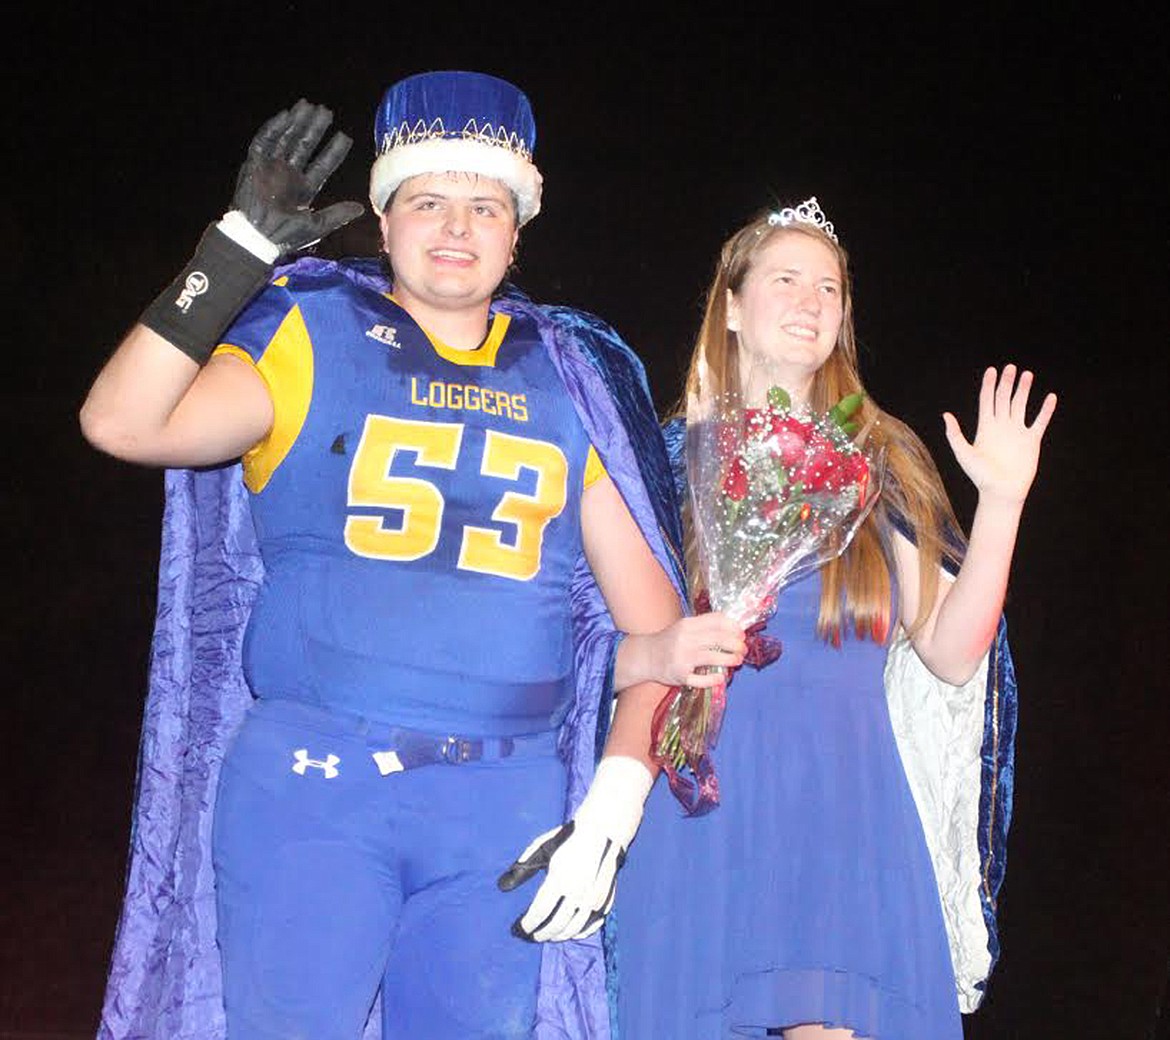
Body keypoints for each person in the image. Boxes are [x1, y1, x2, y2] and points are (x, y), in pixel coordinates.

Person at [82, 71, 686, 1040]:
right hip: (317, 786)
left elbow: (660, 637)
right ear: (384, 217)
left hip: (503, 802)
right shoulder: (307, 331)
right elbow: (120, 421)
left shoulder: (571, 377)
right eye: (428, 199)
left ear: (518, 230)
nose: (455, 225)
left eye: (485, 203)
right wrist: (231, 254)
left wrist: (614, 804)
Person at [611, 199, 1056, 1039]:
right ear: (732, 307)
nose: (813, 300)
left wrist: (1000, 503)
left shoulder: (875, 463)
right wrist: (654, 654)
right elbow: (589, 646)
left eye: (830, 287)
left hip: (840, 812)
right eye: (785, 279)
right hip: (699, 804)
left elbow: (956, 656)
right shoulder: (655, 463)